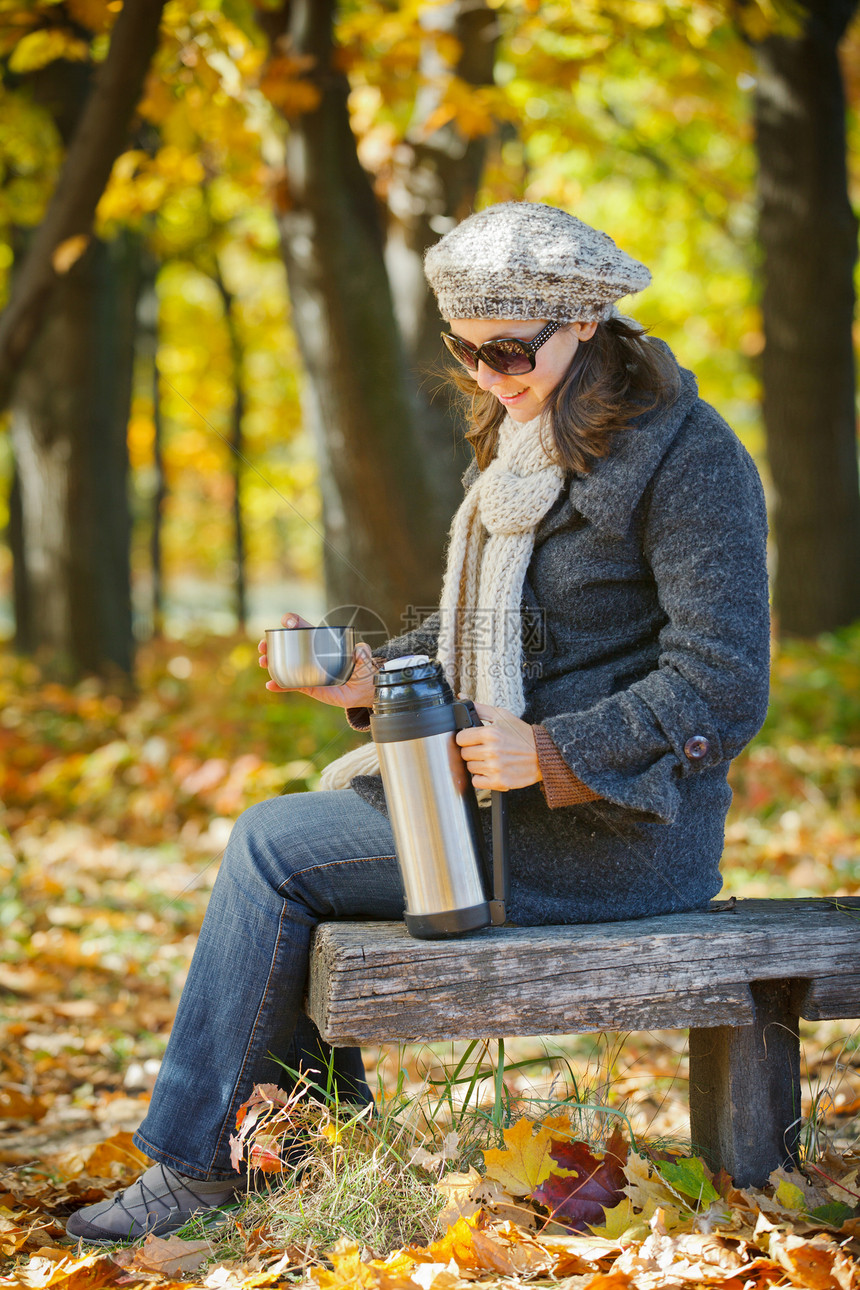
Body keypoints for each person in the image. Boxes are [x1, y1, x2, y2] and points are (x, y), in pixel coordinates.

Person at [66, 202, 770, 1243]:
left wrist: (555, 753)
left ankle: (202, 1175)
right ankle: (309, 1156)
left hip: (610, 835)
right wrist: (359, 685)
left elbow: (721, 684)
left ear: (582, 321)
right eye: (463, 350)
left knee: (275, 844)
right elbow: (464, 651)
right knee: (303, 825)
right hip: (494, 809)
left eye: (505, 350)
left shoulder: (689, 460)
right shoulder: (522, 448)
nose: (485, 376)